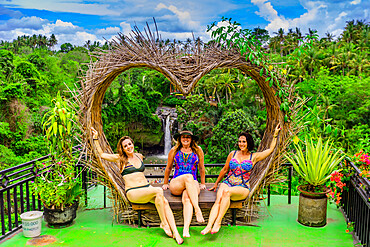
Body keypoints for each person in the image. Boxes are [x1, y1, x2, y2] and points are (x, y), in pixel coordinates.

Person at [91, 127, 183, 245]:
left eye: (130, 144)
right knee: (159, 191)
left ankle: (176, 233)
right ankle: (164, 223)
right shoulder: (120, 159)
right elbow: (102, 154)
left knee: (164, 202)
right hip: (133, 192)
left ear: (133, 144)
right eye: (125, 146)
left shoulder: (139, 156)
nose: (129, 147)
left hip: (147, 189)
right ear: (122, 149)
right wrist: (96, 138)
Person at [201, 124, 281, 235]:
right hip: (228, 182)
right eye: (239, 141)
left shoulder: (253, 157)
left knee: (226, 192)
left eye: (243, 141)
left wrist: (275, 134)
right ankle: (209, 225)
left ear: (248, 143)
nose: (241, 144)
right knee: (218, 199)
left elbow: (270, 150)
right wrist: (216, 184)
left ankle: (218, 222)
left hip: (242, 186)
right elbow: (224, 170)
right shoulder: (232, 154)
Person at [162, 130, 206, 238]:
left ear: (191, 139)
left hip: (193, 183)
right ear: (179, 139)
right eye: (183, 137)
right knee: (188, 176)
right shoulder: (174, 150)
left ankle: (186, 229)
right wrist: (165, 183)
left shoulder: (198, 150)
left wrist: (203, 183)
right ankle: (197, 210)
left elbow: (201, 167)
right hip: (177, 182)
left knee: (187, 198)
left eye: (188, 137)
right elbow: (168, 167)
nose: (185, 139)